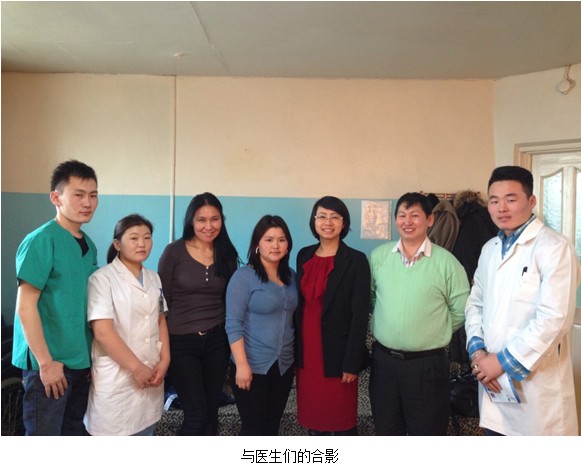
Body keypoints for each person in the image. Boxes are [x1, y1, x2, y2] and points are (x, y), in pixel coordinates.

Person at [465, 166, 580, 436]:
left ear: (531, 201)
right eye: (494, 201)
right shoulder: (490, 249)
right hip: (493, 387)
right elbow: (475, 304)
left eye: (511, 199)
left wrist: (500, 362)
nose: (501, 208)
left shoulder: (554, 247)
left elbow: (554, 319)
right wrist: (478, 353)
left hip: (536, 396)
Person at [369, 192, 469, 435]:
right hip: (384, 364)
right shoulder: (378, 257)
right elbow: (371, 299)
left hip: (428, 366)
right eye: (402, 215)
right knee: (386, 430)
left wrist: (434, 329)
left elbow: (461, 308)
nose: (407, 221)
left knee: (427, 432)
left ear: (429, 220)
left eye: (415, 215)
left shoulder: (447, 262)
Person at [11, 160, 99, 435]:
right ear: (56, 197)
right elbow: (25, 307)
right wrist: (46, 363)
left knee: (73, 435)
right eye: (79, 195)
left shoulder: (89, 245)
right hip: (49, 364)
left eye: (93, 195)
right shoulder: (41, 240)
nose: (88, 203)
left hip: (79, 362)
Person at [158, 192, 239, 435]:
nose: (208, 226)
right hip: (181, 342)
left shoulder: (226, 253)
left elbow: (229, 301)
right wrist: (162, 350)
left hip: (217, 342)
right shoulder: (174, 252)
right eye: (201, 220)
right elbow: (161, 304)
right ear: (191, 221)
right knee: (196, 415)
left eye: (214, 219)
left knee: (211, 413)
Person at [84, 214, 170, 435]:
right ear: (117, 244)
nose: (142, 243)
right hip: (118, 378)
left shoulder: (154, 278)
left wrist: (165, 360)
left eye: (147, 237)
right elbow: (103, 333)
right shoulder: (102, 279)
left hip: (151, 374)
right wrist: (137, 368)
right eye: (133, 238)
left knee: (146, 432)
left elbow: (160, 319)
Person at [295, 196, 371, 435]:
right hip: (307, 351)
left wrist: (352, 362)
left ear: (344, 223)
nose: (328, 222)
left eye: (335, 217)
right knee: (313, 416)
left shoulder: (356, 260)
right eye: (322, 216)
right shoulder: (303, 255)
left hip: (339, 354)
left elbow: (360, 315)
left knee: (340, 418)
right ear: (314, 221)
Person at [225, 215, 298, 435]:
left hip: (284, 366)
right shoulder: (243, 277)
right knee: (253, 430)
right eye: (269, 239)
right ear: (257, 244)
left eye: (281, 240)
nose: (275, 245)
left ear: (288, 245)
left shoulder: (291, 276)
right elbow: (233, 324)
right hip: (252, 366)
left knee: (272, 427)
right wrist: (241, 365)